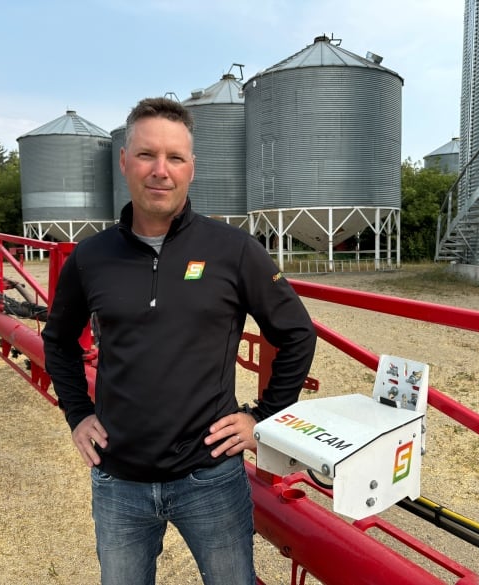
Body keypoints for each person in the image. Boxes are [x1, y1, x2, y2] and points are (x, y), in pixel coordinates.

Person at [42, 96, 317, 585]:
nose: (160, 171)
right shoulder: (92, 257)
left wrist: (263, 417)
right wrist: (78, 415)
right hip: (118, 478)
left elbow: (296, 333)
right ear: (124, 161)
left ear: (192, 168)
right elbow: (59, 340)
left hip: (209, 477)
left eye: (175, 157)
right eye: (146, 155)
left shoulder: (232, 250)